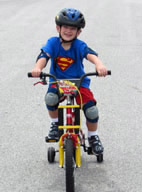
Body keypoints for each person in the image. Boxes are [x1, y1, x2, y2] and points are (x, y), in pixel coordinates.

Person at [32, 8, 108, 155]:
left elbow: (90, 55)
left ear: (78, 32)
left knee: (91, 110)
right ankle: (55, 124)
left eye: (72, 28)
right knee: (51, 98)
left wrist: (99, 65)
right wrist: (37, 68)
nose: (68, 31)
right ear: (58, 28)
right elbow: (44, 56)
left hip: (79, 83)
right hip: (58, 82)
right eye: (65, 27)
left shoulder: (79, 45)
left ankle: (93, 137)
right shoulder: (53, 43)